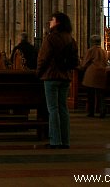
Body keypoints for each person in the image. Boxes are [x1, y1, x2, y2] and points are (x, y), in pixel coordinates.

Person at [36, 11, 78, 149]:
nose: (50, 22)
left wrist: (38, 73)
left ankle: (55, 141)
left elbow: (43, 58)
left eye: (52, 20)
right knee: (63, 109)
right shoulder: (71, 39)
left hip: (51, 77)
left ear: (58, 22)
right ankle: (65, 140)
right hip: (65, 77)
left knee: (53, 109)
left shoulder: (51, 38)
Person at [81, 34, 108, 118]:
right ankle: (102, 111)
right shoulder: (104, 51)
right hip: (102, 73)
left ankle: (91, 112)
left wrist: (81, 67)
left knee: (91, 94)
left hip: (92, 74)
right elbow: (106, 62)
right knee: (101, 94)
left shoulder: (91, 50)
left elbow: (85, 62)